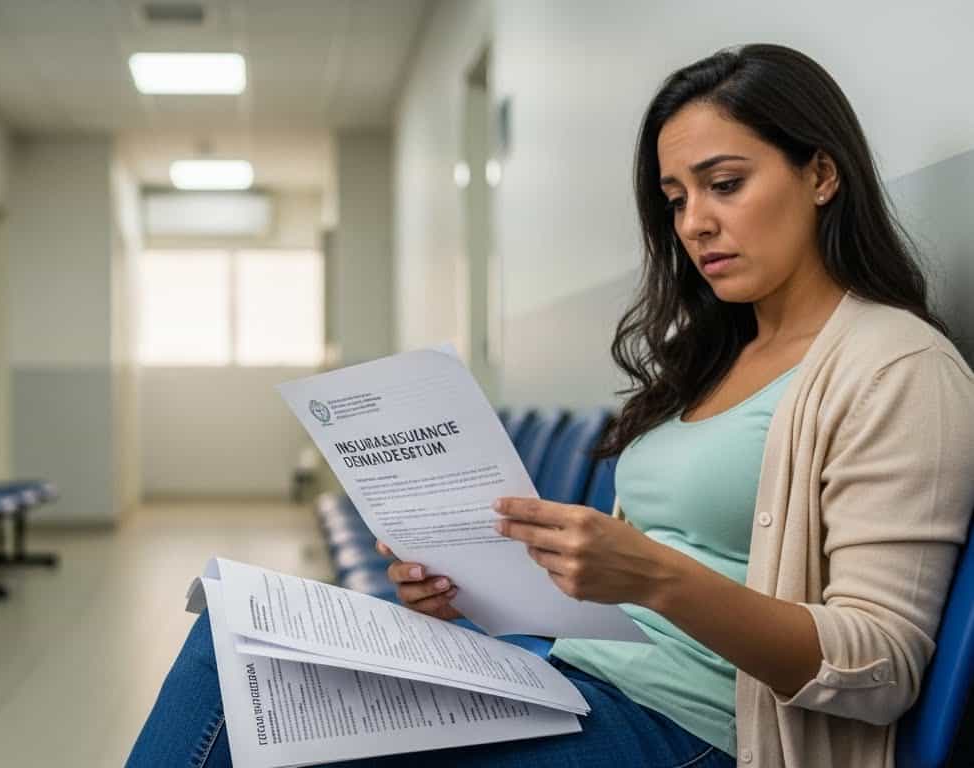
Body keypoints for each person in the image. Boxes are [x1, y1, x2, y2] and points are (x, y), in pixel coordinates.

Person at [127, 43, 974, 768]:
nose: (694, 223)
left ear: (820, 173)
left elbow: (883, 667)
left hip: (699, 733)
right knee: (236, 642)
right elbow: (625, 581)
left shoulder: (895, 367)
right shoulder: (711, 358)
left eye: (723, 183)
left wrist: (651, 576)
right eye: (676, 199)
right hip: (575, 670)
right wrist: (476, 590)